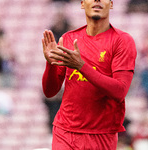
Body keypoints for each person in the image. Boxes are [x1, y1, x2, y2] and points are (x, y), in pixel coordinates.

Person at [42, 0, 137, 149]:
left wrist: (81, 66)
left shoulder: (122, 41)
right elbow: (49, 91)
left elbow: (120, 91)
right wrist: (51, 64)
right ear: (82, 3)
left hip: (101, 135)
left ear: (111, 4)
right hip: (65, 132)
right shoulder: (68, 39)